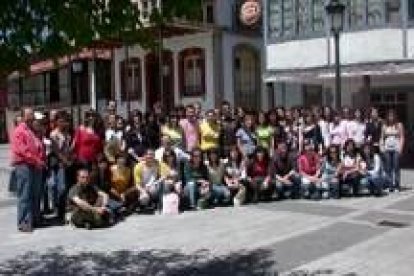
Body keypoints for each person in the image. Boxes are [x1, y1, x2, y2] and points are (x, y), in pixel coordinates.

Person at [11, 108, 46, 232]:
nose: (32, 116)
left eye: (32, 114)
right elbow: (23, 151)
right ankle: (24, 222)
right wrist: (37, 160)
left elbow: (39, 146)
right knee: (25, 195)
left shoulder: (32, 130)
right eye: (29, 114)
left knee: (35, 194)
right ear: (23, 116)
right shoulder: (20, 130)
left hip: (35, 165)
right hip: (24, 165)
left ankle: (35, 218)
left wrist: (40, 160)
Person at [48, 111, 73, 222]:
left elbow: (68, 149)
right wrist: (65, 161)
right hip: (57, 164)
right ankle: (57, 209)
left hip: (65, 164)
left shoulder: (67, 134)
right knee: (58, 187)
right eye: (61, 121)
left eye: (64, 121)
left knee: (63, 189)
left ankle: (61, 212)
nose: (63, 123)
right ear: (57, 122)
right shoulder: (54, 134)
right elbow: (56, 151)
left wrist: (70, 159)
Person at [381, 110, 404, 192]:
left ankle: (397, 185)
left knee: (396, 167)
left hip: (396, 148)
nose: (391, 117)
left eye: (392, 115)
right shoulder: (384, 126)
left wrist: (400, 148)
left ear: (395, 116)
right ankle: (390, 185)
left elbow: (402, 137)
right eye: (389, 116)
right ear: (387, 117)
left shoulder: (399, 125)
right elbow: (382, 138)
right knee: (388, 168)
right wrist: (382, 148)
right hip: (387, 149)